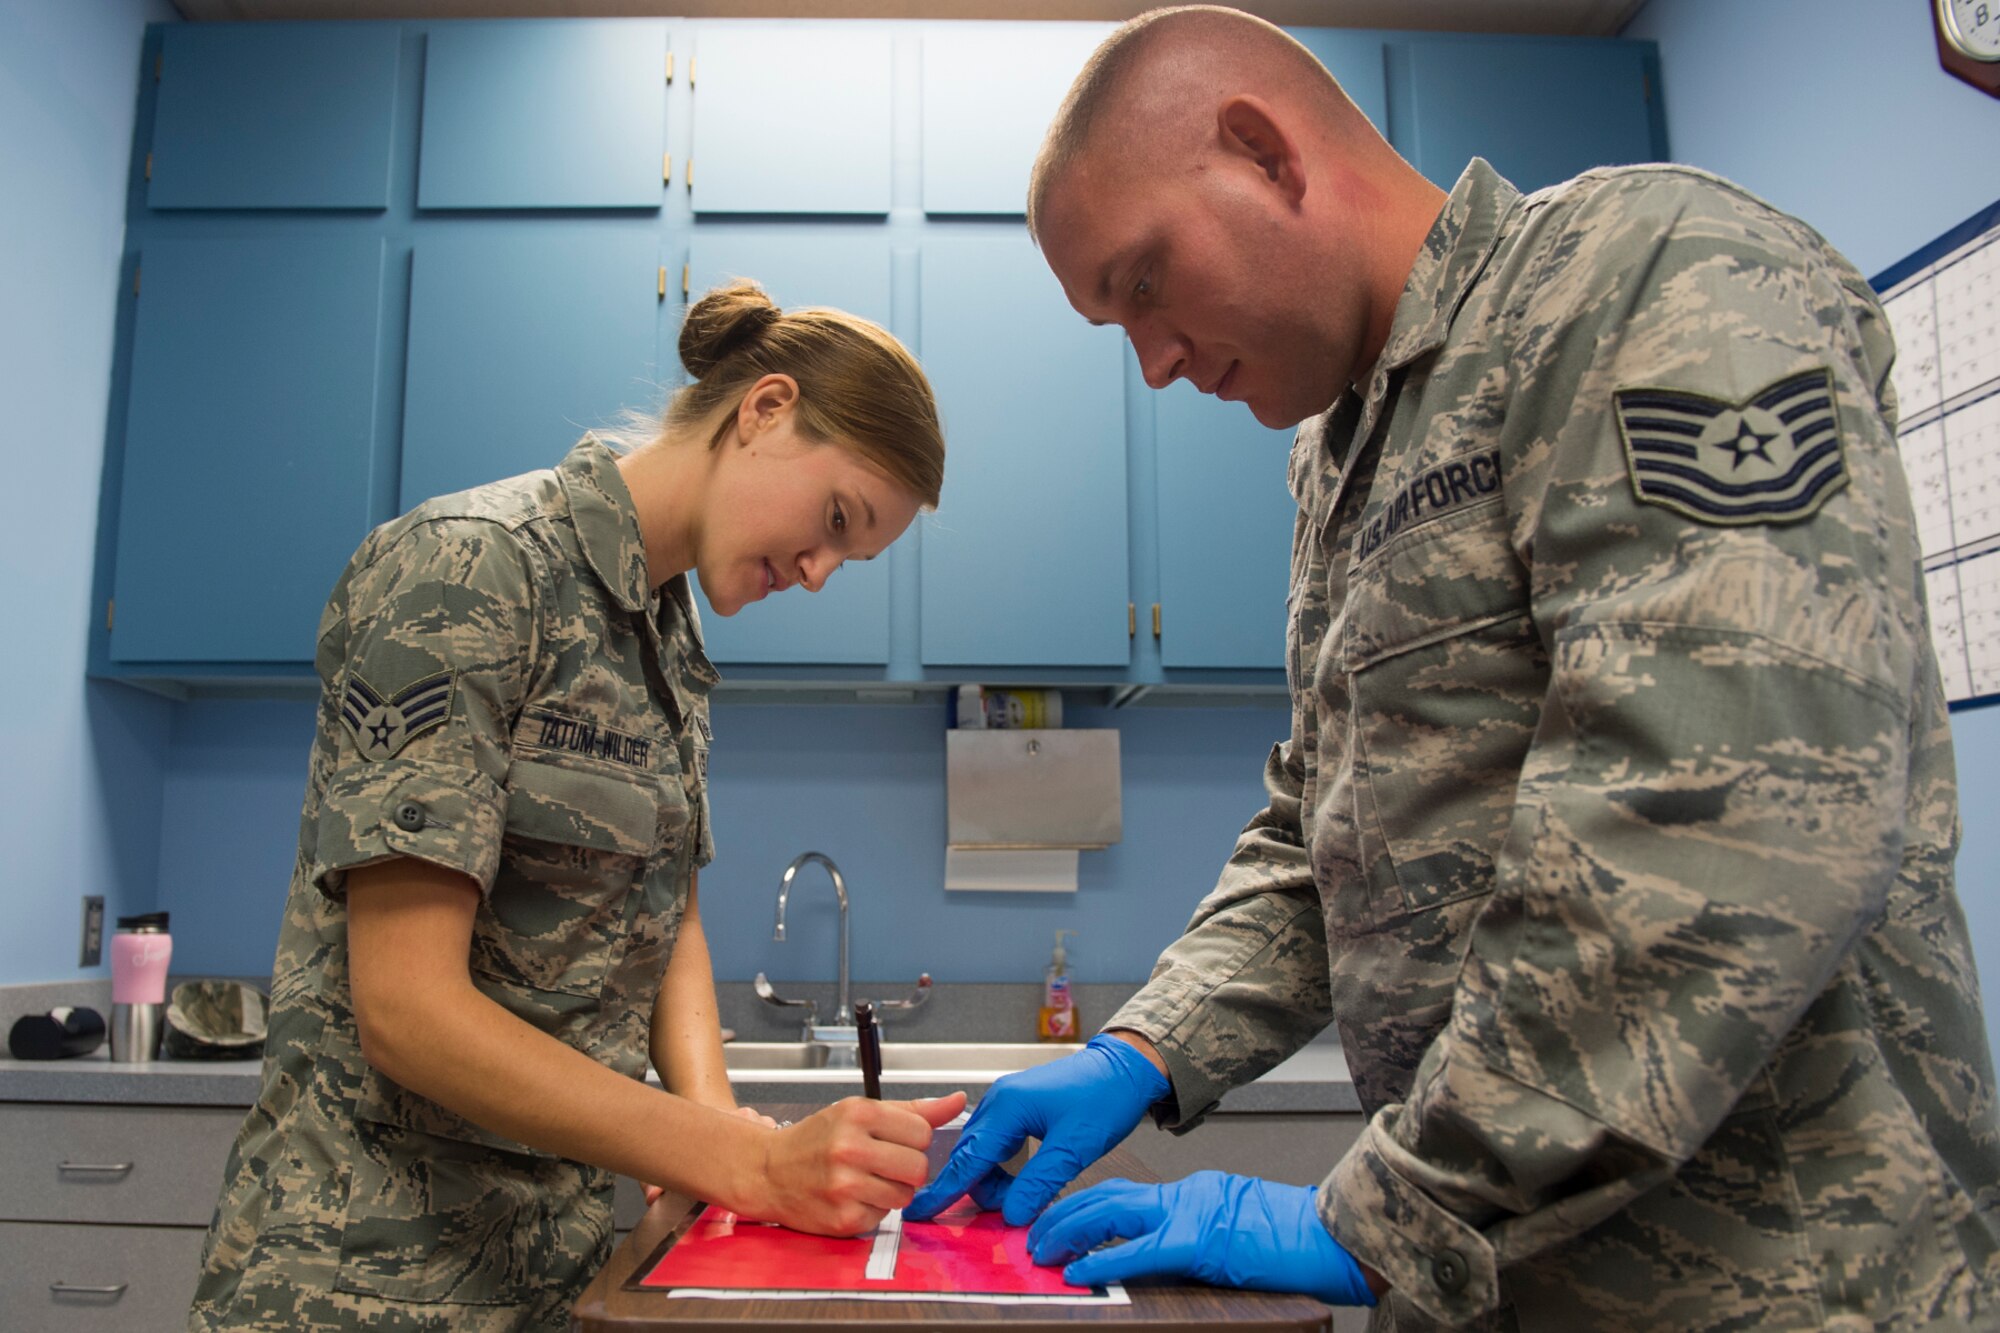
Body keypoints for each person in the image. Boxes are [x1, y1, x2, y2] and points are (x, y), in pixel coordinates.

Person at [908, 7, 2000, 1329]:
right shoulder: (1339, 459)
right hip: (1502, 1288)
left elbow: (1725, 821)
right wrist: (1149, 1045)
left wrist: (1391, 1210)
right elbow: (1323, 832)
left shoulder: (1648, 278)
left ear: (1263, 152)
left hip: (1782, 1282)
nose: (1153, 362)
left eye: (1146, 282)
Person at [189, 281, 959, 1332]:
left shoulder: (667, 638)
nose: (820, 573)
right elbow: (405, 1009)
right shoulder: (470, 569)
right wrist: (748, 1160)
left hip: (550, 1266)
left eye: (848, 556)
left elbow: (663, 909)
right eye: (833, 519)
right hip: (361, 1275)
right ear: (764, 408)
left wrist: (707, 1128)